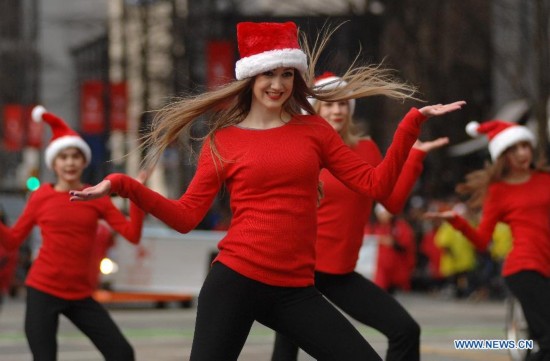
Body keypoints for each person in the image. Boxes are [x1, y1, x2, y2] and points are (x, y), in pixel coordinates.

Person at [70, 21, 465, 360]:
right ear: (251, 77)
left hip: (294, 288)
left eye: (286, 74)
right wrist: (123, 186)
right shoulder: (222, 141)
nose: (277, 84)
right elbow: (187, 216)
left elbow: (375, 185)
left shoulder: (314, 130)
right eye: (268, 74)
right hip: (235, 281)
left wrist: (410, 125)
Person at [271, 71, 450, 361]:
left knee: (405, 330)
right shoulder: (303, 148)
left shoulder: (365, 148)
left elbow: (390, 202)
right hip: (301, 270)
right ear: (315, 109)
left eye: (343, 104)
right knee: (287, 348)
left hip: (340, 272)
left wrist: (414, 157)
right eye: (329, 104)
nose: (337, 109)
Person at [0, 106, 146, 361]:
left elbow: (131, 234)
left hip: (80, 294)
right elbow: (13, 241)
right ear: (54, 163)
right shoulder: (40, 197)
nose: (69, 162)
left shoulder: (96, 196)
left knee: (122, 353)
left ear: (83, 161)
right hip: (42, 290)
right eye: (63, 157)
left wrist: (137, 196)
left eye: (75, 156)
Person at [424, 119, 550, 360]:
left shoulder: (545, 179)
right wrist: (457, 221)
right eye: (514, 149)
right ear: (502, 156)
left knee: (541, 341)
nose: (523, 153)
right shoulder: (498, 192)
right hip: (523, 268)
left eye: (525, 146)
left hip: (547, 265)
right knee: (547, 340)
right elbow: (482, 240)